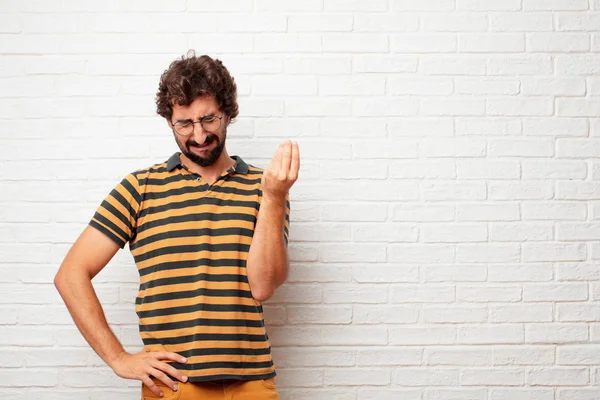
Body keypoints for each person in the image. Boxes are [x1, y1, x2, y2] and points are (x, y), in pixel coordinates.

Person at [54, 51, 298, 400]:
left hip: (252, 383)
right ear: (170, 122)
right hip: (173, 386)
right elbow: (70, 274)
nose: (199, 135)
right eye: (184, 124)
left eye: (208, 119)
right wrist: (118, 359)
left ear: (227, 112)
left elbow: (262, 286)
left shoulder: (266, 187)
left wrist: (274, 197)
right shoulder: (140, 188)